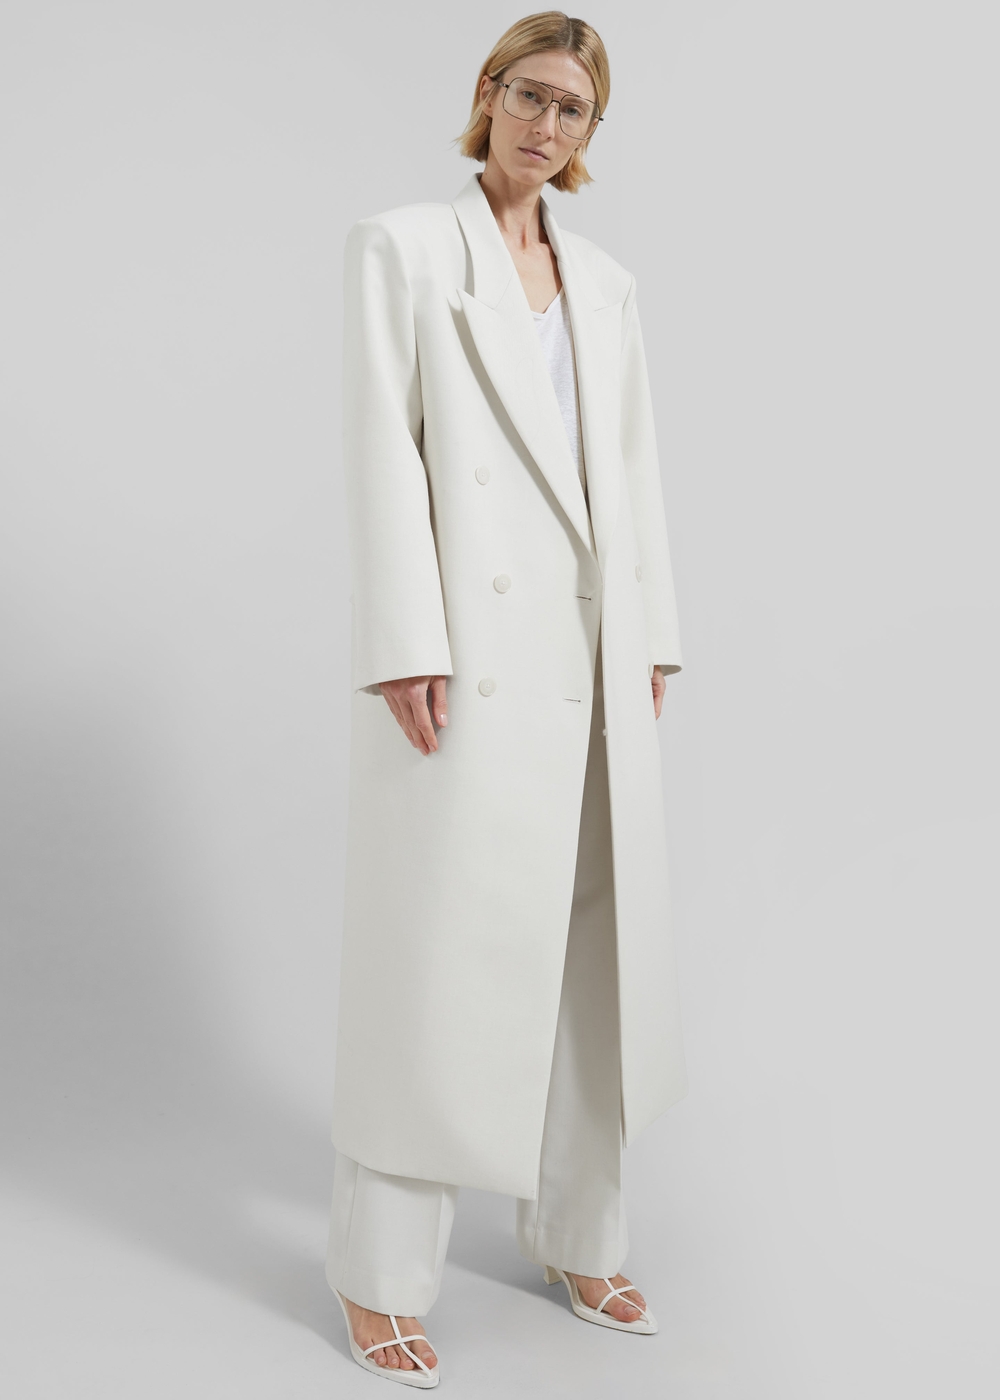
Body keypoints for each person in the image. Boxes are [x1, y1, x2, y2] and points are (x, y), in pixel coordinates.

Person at [326, 11, 686, 1387]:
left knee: (597, 955)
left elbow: (630, 469)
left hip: (592, 654)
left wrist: (653, 638)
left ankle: (582, 1236)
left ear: (591, 132)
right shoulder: (405, 248)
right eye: (528, 95)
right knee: (433, 961)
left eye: (572, 108)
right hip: (465, 657)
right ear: (484, 96)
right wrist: (401, 641)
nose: (546, 124)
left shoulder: (607, 283)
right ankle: (377, 1275)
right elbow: (384, 449)